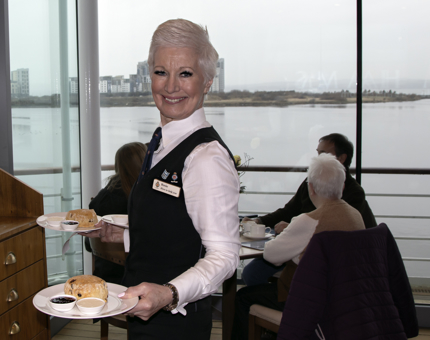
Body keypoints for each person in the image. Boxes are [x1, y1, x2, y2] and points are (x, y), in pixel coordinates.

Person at [83, 19, 240, 339]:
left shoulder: (206, 158)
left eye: (185, 73)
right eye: (160, 72)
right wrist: (126, 233)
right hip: (142, 311)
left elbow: (225, 257)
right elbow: (173, 220)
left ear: (207, 81)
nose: (170, 86)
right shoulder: (159, 142)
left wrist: (169, 293)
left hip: (175, 321)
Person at [231, 153, 366, 340]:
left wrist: (288, 230)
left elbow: (271, 255)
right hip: (344, 298)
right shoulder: (355, 215)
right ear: (342, 186)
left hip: (308, 301)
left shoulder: (308, 221)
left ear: (310, 188)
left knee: (243, 297)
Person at [241, 133, 377, 286]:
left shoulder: (354, 194)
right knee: (251, 272)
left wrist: (294, 228)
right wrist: (259, 221)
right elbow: (289, 210)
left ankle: (282, 302)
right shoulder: (311, 181)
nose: (317, 158)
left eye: (323, 153)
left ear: (342, 158)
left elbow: (334, 232)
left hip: (325, 262)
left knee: (252, 276)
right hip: (299, 248)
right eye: (317, 153)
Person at [86, 142, 147, 284]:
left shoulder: (102, 198)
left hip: (104, 275)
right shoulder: (144, 199)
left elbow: (89, 244)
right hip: (135, 279)